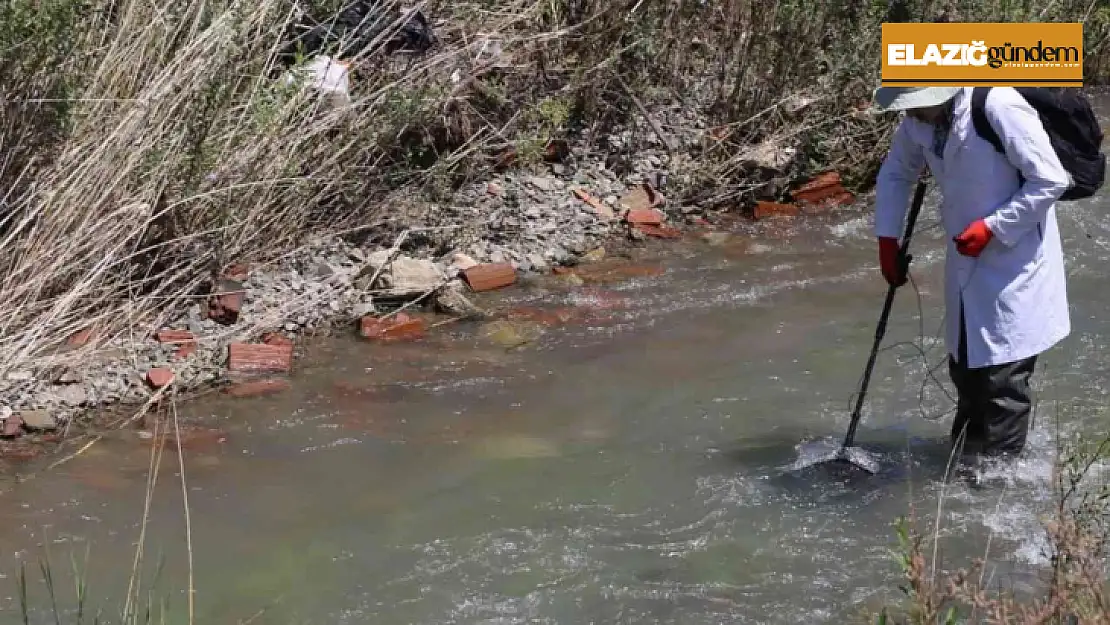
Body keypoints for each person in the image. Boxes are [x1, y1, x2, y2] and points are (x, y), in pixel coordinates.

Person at [870, 86, 1072, 462]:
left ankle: (995, 485)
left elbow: (1050, 180)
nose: (908, 113)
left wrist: (994, 228)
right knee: (965, 369)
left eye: (914, 104)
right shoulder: (919, 118)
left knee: (1002, 381)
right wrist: (887, 239)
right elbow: (897, 173)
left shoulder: (998, 105)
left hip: (1015, 260)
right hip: (965, 257)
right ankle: (964, 464)